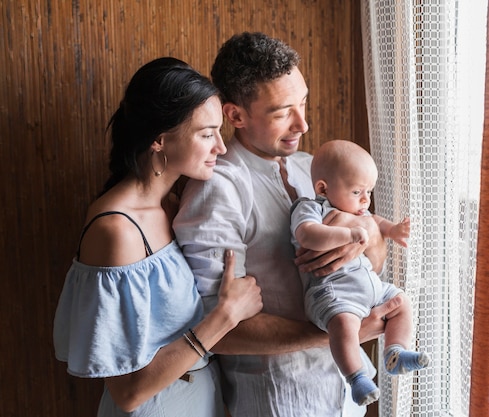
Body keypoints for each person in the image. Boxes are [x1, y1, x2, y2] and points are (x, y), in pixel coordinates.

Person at [173, 32, 402, 417]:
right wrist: (339, 333)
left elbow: (374, 257)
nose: (304, 123)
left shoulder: (314, 168)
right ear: (235, 115)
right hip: (280, 402)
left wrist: (364, 240)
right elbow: (215, 329)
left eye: (303, 102)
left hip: (348, 400)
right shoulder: (218, 191)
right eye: (282, 112)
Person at [52, 57, 263, 417]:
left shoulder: (171, 206)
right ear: (160, 140)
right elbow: (128, 392)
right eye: (206, 133)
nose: (221, 147)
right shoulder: (116, 231)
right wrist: (224, 316)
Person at [290, 139, 430, 406]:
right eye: (357, 192)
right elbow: (307, 234)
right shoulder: (311, 208)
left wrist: (393, 230)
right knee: (344, 324)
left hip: (371, 287)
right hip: (333, 292)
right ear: (323, 188)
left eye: (369, 191)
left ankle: (395, 352)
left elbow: (376, 222)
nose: (366, 200)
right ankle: (356, 377)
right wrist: (348, 234)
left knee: (402, 303)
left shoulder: (359, 211)